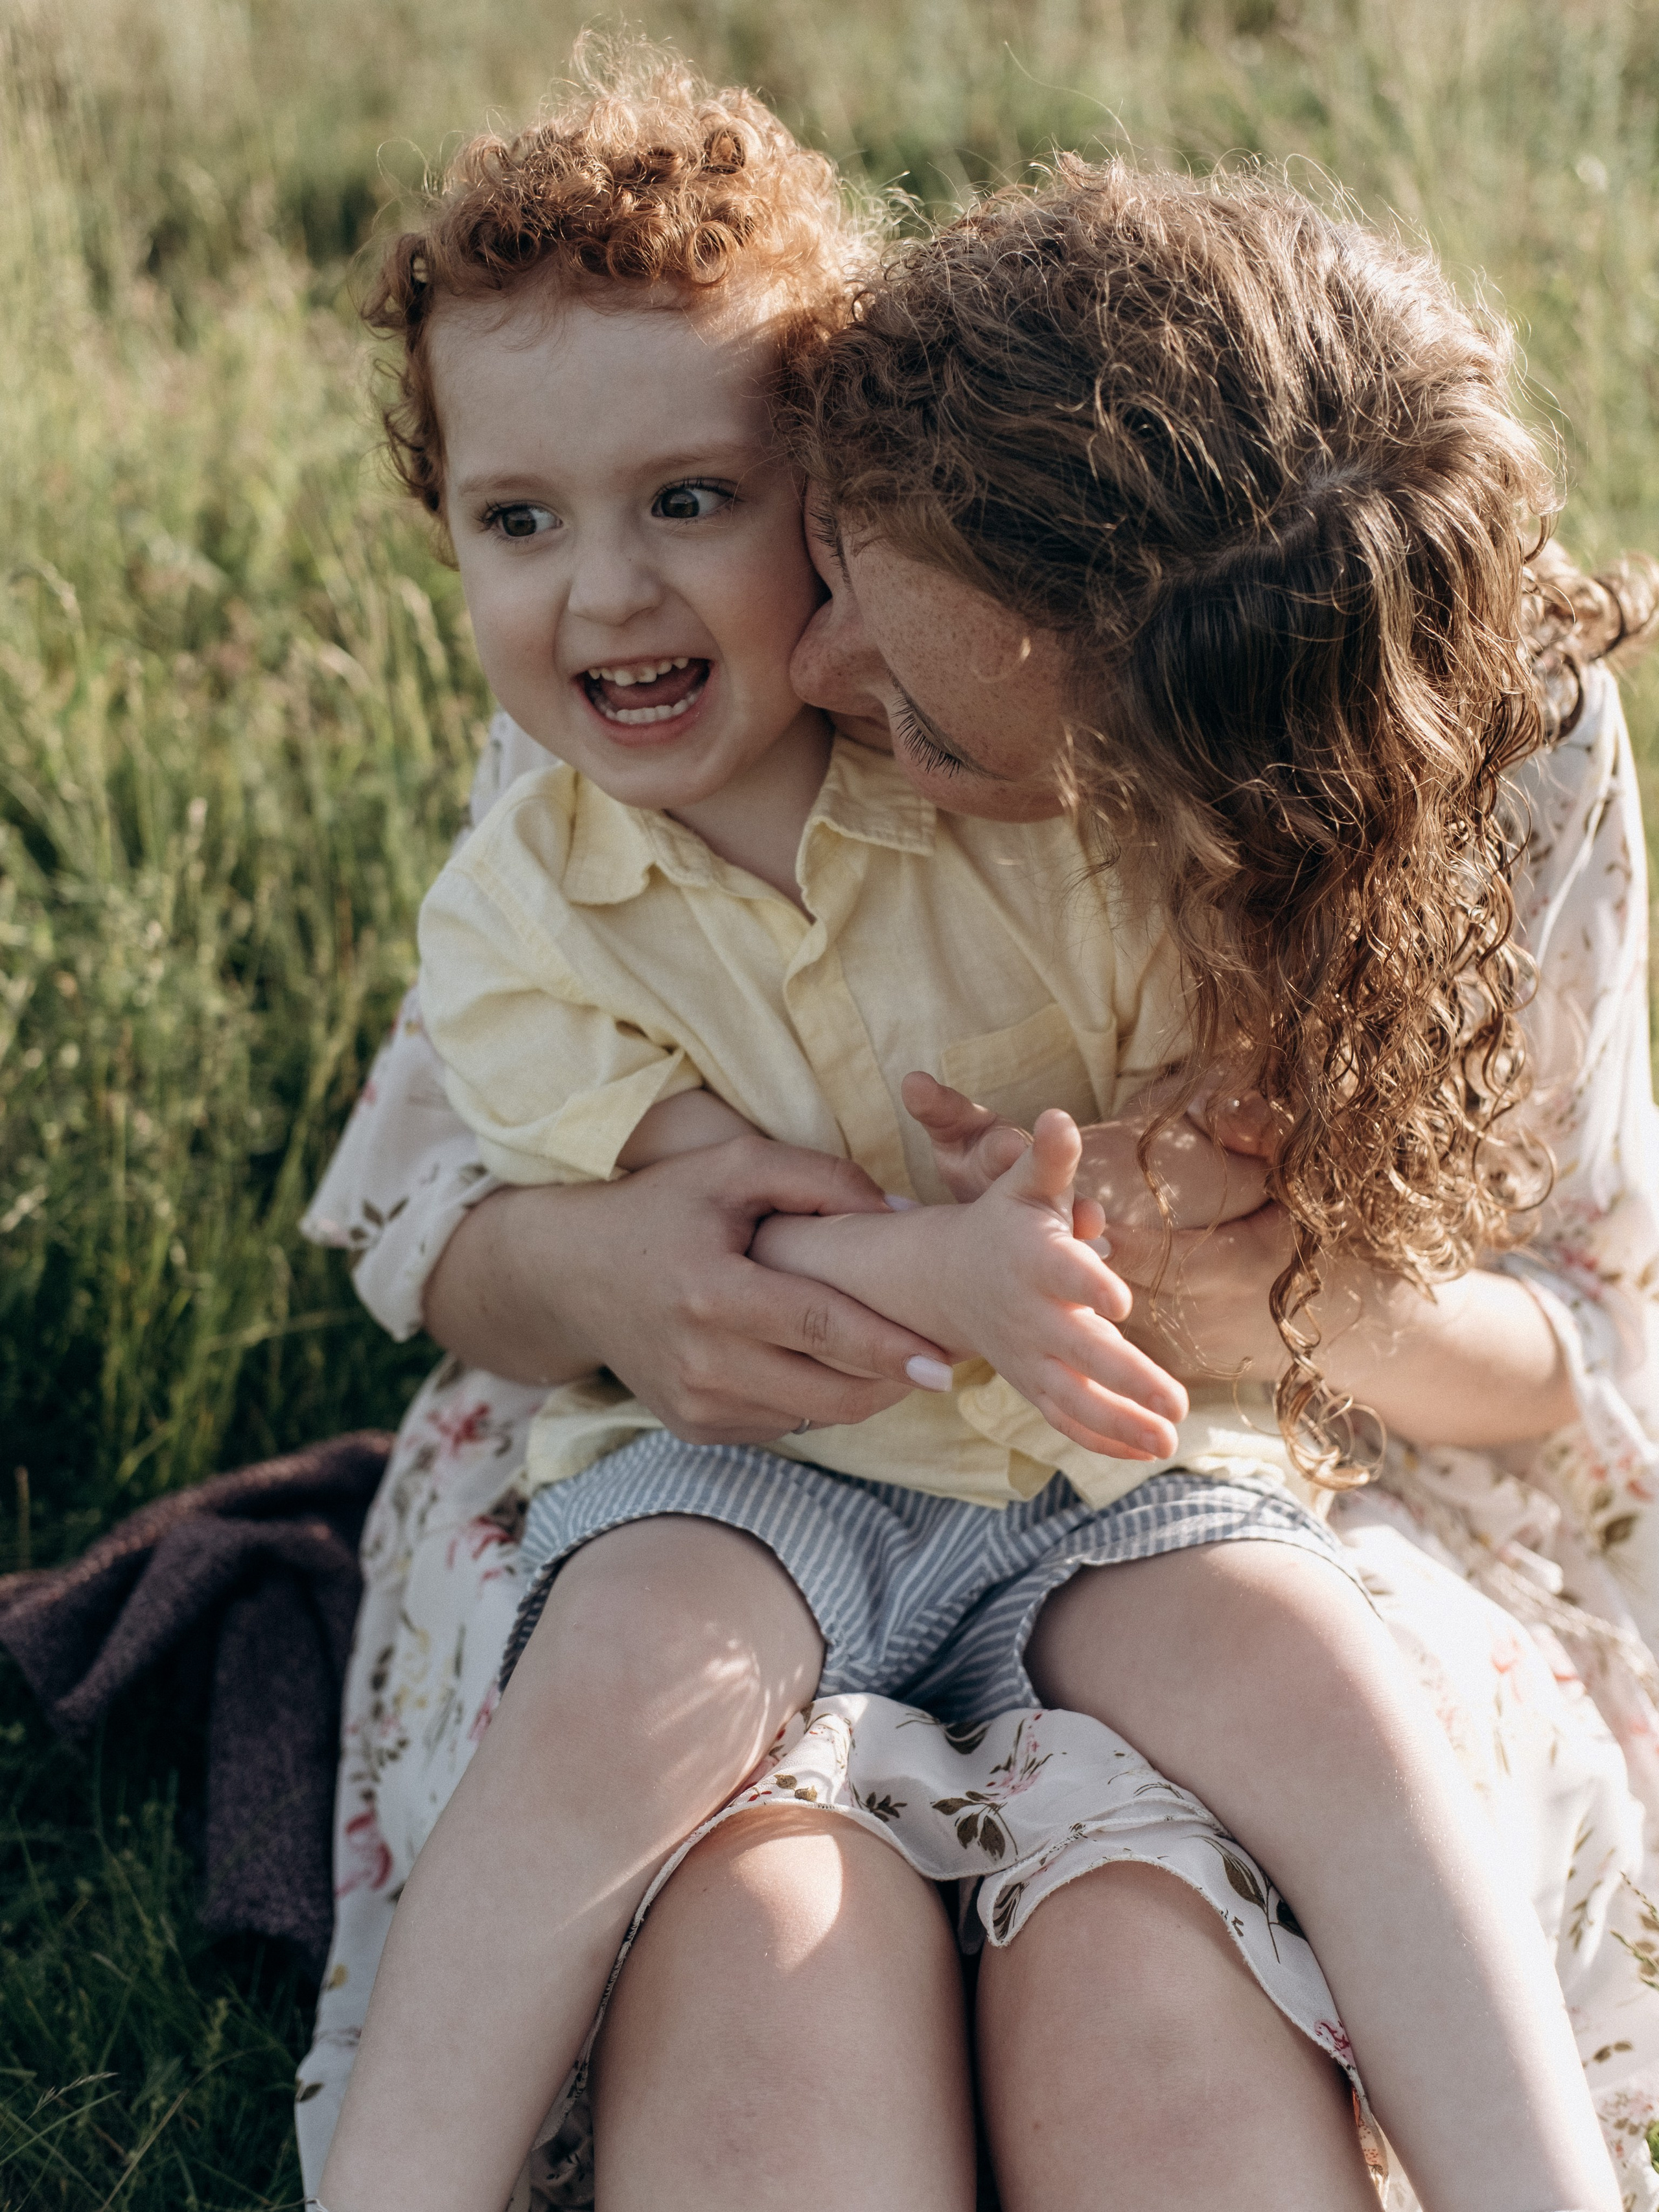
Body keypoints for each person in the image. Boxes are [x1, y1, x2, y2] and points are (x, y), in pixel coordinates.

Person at [297, 58, 1659, 2212]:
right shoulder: (601, 794)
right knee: (668, 1792)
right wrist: (628, 1276)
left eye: (926, 715)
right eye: (523, 521)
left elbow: (1582, 1348)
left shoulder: (1329, 804)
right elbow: (437, 1185)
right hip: (743, 1467)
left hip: (1150, 1461)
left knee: (1301, 1757)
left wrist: (1236, 1256)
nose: (810, 659)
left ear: (1148, 783)